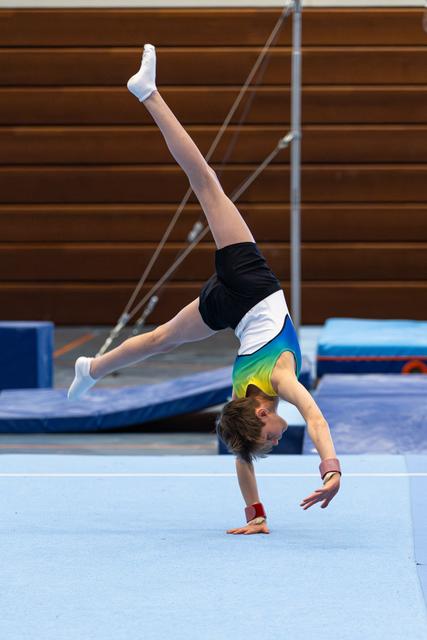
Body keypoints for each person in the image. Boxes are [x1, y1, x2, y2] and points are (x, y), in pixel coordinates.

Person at [67, 45, 341, 534]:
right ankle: (91, 369)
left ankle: (147, 93)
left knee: (207, 183)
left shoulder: (279, 385)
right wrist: (255, 516)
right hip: (235, 311)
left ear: (261, 413)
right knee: (159, 341)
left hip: (250, 291)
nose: (276, 441)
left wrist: (331, 467)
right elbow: (243, 455)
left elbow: (316, 419)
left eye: (271, 438)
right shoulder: (241, 402)